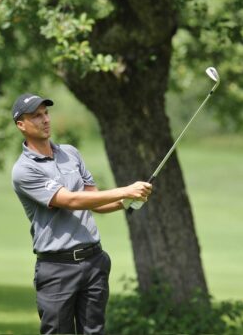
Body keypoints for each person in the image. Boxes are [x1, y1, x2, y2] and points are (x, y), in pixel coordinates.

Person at [10, 93, 152, 335]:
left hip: (94, 261)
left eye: (46, 113)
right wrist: (125, 189)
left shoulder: (70, 153)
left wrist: (128, 201)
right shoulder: (24, 170)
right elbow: (71, 200)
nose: (45, 120)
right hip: (57, 268)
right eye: (36, 116)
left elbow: (95, 202)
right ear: (21, 125)